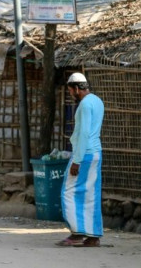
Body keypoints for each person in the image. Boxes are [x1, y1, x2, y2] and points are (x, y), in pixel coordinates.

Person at [56, 72, 105, 247]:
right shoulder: (97, 101)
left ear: (76, 88)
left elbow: (84, 133)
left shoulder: (84, 105)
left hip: (83, 154)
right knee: (91, 194)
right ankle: (93, 236)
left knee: (68, 193)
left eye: (70, 91)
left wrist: (76, 161)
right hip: (96, 154)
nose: (70, 94)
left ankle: (77, 233)